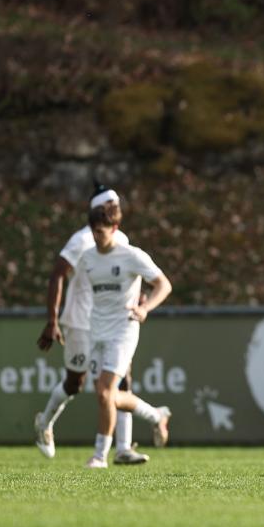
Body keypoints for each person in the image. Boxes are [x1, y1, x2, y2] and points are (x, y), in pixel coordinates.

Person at [35, 183, 149, 465]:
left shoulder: (120, 239)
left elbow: (130, 273)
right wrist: (52, 319)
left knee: (121, 378)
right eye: (107, 206)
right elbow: (57, 275)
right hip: (80, 320)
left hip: (114, 321)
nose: (112, 211)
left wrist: (139, 302)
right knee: (76, 383)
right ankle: (44, 424)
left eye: (115, 207)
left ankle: (122, 448)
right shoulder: (82, 240)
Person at [79, 205, 173, 468]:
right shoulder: (87, 258)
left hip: (123, 330)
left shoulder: (131, 256)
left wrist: (144, 308)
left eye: (102, 232)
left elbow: (164, 284)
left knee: (107, 393)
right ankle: (156, 415)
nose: (98, 237)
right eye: (94, 232)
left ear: (115, 229)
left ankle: (100, 456)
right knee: (104, 396)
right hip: (96, 331)